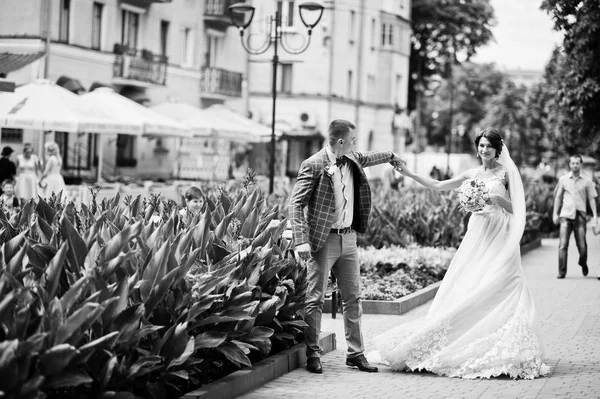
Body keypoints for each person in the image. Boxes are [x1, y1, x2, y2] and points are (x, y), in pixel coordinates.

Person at [369, 128, 550, 379]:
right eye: (481, 145)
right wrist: (408, 172)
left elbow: (518, 208)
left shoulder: (507, 173)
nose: (484, 150)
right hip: (478, 231)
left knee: (505, 278)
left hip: (500, 231)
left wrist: (499, 200)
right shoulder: (471, 174)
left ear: (498, 149)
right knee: (472, 280)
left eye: (488, 146)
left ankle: (507, 341)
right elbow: (439, 185)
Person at [289, 119, 404, 374]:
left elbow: (371, 156)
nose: (356, 145)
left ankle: (356, 354)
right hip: (323, 241)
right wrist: (301, 241)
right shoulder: (314, 164)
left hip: (349, 239)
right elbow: (296, 204)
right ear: (341, 142)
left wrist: (392, 156)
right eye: (353, 140)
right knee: (315, 299)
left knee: (353, 298)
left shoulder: (351, 158)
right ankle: (313, 354)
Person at [552, 155, 598, 279]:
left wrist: (595, 217)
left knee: (582, 245)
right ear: (569, 164)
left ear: (581, 165)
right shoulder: (563, 179)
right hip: (565, 215)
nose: (575, 165)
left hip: (580, 216)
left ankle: (583, 262)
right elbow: (558, 197)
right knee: (563, 244)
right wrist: (555, 214)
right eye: (573, 163)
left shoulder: (587, 181)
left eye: (577, 163)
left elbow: (592, 199)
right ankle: (562, 271)